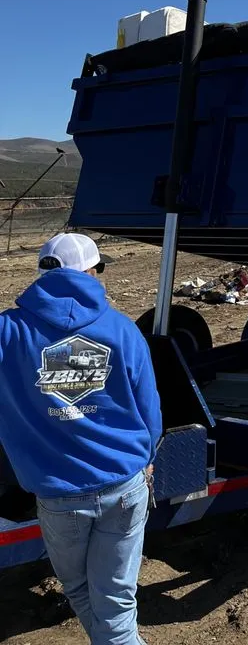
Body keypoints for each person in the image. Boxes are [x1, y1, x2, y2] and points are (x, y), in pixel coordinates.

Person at [0, 232, 162, 645]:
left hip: (60, 496)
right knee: (115, 602)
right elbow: (150, 412)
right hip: (125, 486)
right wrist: (146, 458)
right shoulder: (123, 331)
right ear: (91, 273)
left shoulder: (7, 332)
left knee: (80, 591)